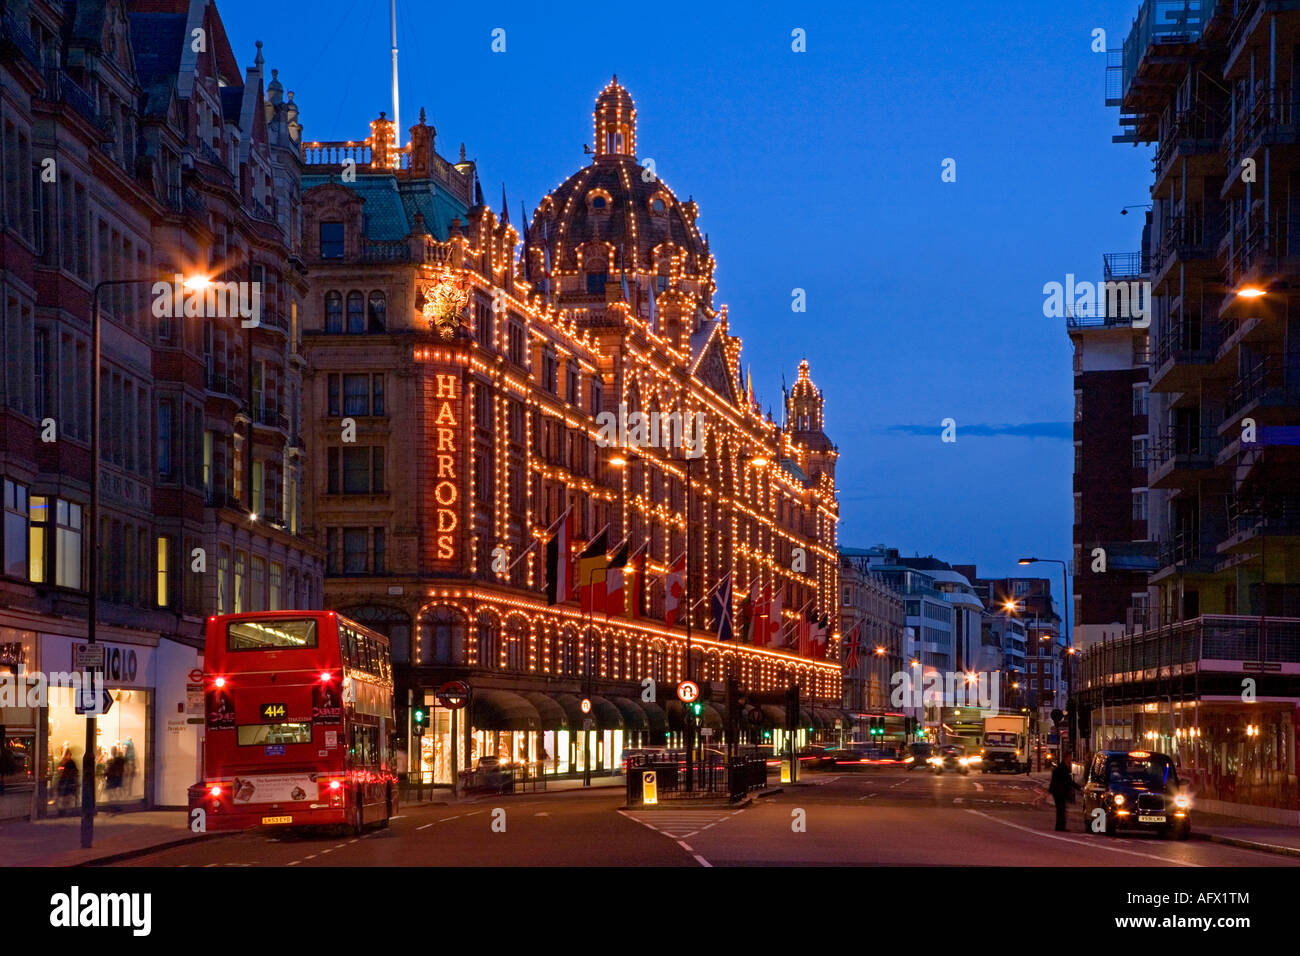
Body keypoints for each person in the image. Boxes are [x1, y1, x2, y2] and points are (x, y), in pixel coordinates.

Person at [1048, 755, 1078, 831]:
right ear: (1066, 758)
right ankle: (1060, 826)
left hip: (1058, 791)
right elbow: (1068, 781)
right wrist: (1079, 787)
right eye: (1069, 758)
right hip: (1059, 791)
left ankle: (1060, 826)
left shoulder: (1062, 767)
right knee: (1061, 809)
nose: (1071, 759)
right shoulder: (1063, 768)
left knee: (1061, 809)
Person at [56, 747, 78, 817]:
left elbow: (73, 773)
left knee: (68, 799)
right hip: (65, 784)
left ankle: (67, 812)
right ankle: (63, 812)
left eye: (67, 754)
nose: (66, 756)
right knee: (63, 799)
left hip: (68, 784)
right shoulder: (63, 763)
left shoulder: (71, 763)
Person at [105, 746, 126, 810]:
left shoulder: (116, 760)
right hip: (114, 778)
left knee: (113, 792)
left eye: (113, 750)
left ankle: (114, 806)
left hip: (114, 778)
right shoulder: (116, 760)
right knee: (113, 793)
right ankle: (114, 806)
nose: (112, 752)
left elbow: (113, 769)